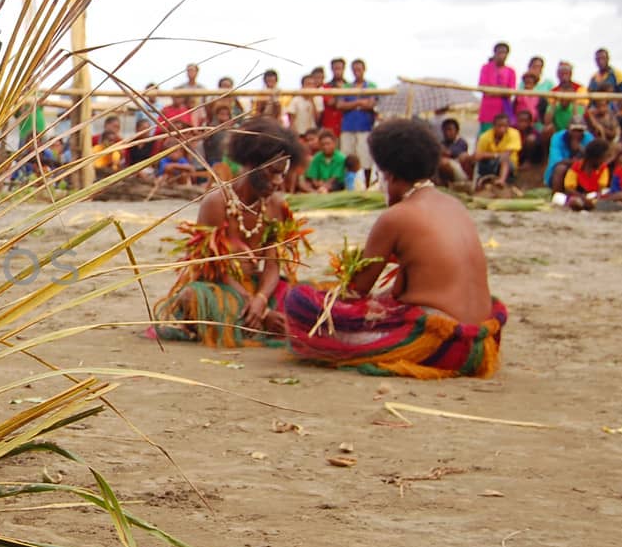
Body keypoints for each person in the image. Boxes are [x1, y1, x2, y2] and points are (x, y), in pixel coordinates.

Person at [284, 120, 507, 378]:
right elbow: (417, 282)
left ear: (388, 174)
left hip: (440, 343)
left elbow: (356, 290)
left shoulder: (396, 216)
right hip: (483, 341)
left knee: (300, 301)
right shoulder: (454, 205)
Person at [149, 119, 310, 347]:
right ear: (251, 164)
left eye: (282, 175)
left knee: (305, 300)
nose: (277, 182)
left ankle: (254, 320)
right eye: (272, 173)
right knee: (193, 300)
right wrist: (252, 304)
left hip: (259, 287)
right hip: (221, 286)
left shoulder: (276, 206)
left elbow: (273, 264)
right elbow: (213, 266)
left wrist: (262, 300)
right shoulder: (217, 202)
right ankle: (254, 321)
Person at [335, 57, 379, 184]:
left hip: (365, 126)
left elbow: (371, 104)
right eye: (354, 70)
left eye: (359, 69)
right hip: (348, 126)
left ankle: (366, 184)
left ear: (364, 70)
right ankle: (347, 184)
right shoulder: (347, 86)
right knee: (347, 156)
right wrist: (359, 102)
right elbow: (340, 105)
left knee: (365, 157)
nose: (356, 72)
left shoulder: (371, 86)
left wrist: (352, 104)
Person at [470, 111, 521, 191]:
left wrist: (487, 154)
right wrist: (495, 155)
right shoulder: (485, 136)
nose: (502, 129)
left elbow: (507, 153)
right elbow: (478, 155)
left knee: (505, 158)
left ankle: (501, 181)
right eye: (499, 126)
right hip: (490, 163)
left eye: (505, 126)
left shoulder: (514, 133)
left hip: (509, 165)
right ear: (493, 126)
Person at [561, 138, 613, 210]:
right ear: (594, 157)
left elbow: (600, 190)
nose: (603, 161)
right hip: (578, 196)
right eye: (602, 158)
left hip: (594, 197)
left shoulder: (603, 169)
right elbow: (569, 189)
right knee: (574, 201)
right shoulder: (576, 168)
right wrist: (583, 198)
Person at [477, 42, 516, 136]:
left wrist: (493, 90)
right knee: (485, 138)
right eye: (499, 52)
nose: (502, 55)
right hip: (488, 112)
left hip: (503, 111)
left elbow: (510, 92)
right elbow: (484, 89)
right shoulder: (485, 68)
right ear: (494, 53)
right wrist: (502, 89)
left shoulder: (511, 71)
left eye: (504, 53)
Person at [438, 118, 470, 183]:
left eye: (450, 129)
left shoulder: (462, 143)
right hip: (445, 172)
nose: (447, 132)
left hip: (460, 173)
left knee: (444, 162)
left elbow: (449, 153)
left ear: (457, 131)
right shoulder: (442, 142)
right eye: (445, 130)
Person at [92, 114, 123, 179]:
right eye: (115, 126)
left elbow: (121, 160)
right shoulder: (94, 140)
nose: (116, 129)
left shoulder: (120, 141)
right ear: (106, 125)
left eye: (118, 127)